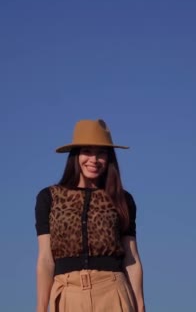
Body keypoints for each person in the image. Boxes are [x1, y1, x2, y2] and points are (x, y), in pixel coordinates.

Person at [34, 119, 145, 312]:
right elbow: (45, 259)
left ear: (109, 158)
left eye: (101, 153)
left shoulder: (122, 199)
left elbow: (131, 258)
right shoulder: (49, 197)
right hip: (67, 293)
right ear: (75, 155)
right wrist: (41, 307)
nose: (94, 160)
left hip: (113, 292)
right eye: (87, 151)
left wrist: (140, 305)